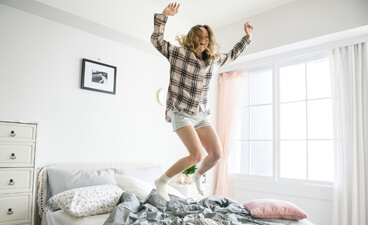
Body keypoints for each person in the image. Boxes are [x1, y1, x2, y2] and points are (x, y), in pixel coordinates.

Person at [151, 2, 253, 202]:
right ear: (192, 38)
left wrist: (247, 39)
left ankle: (198, 176)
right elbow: (157, 41)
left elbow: (232, 54)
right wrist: (164, 16)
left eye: (206, 37)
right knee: (196, 155)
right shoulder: (179, 54)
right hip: (181, 112)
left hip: (200, 114)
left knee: (216, 155)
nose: (202, 40)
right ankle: (161, 181)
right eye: (198, 36)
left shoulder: (214, 61)